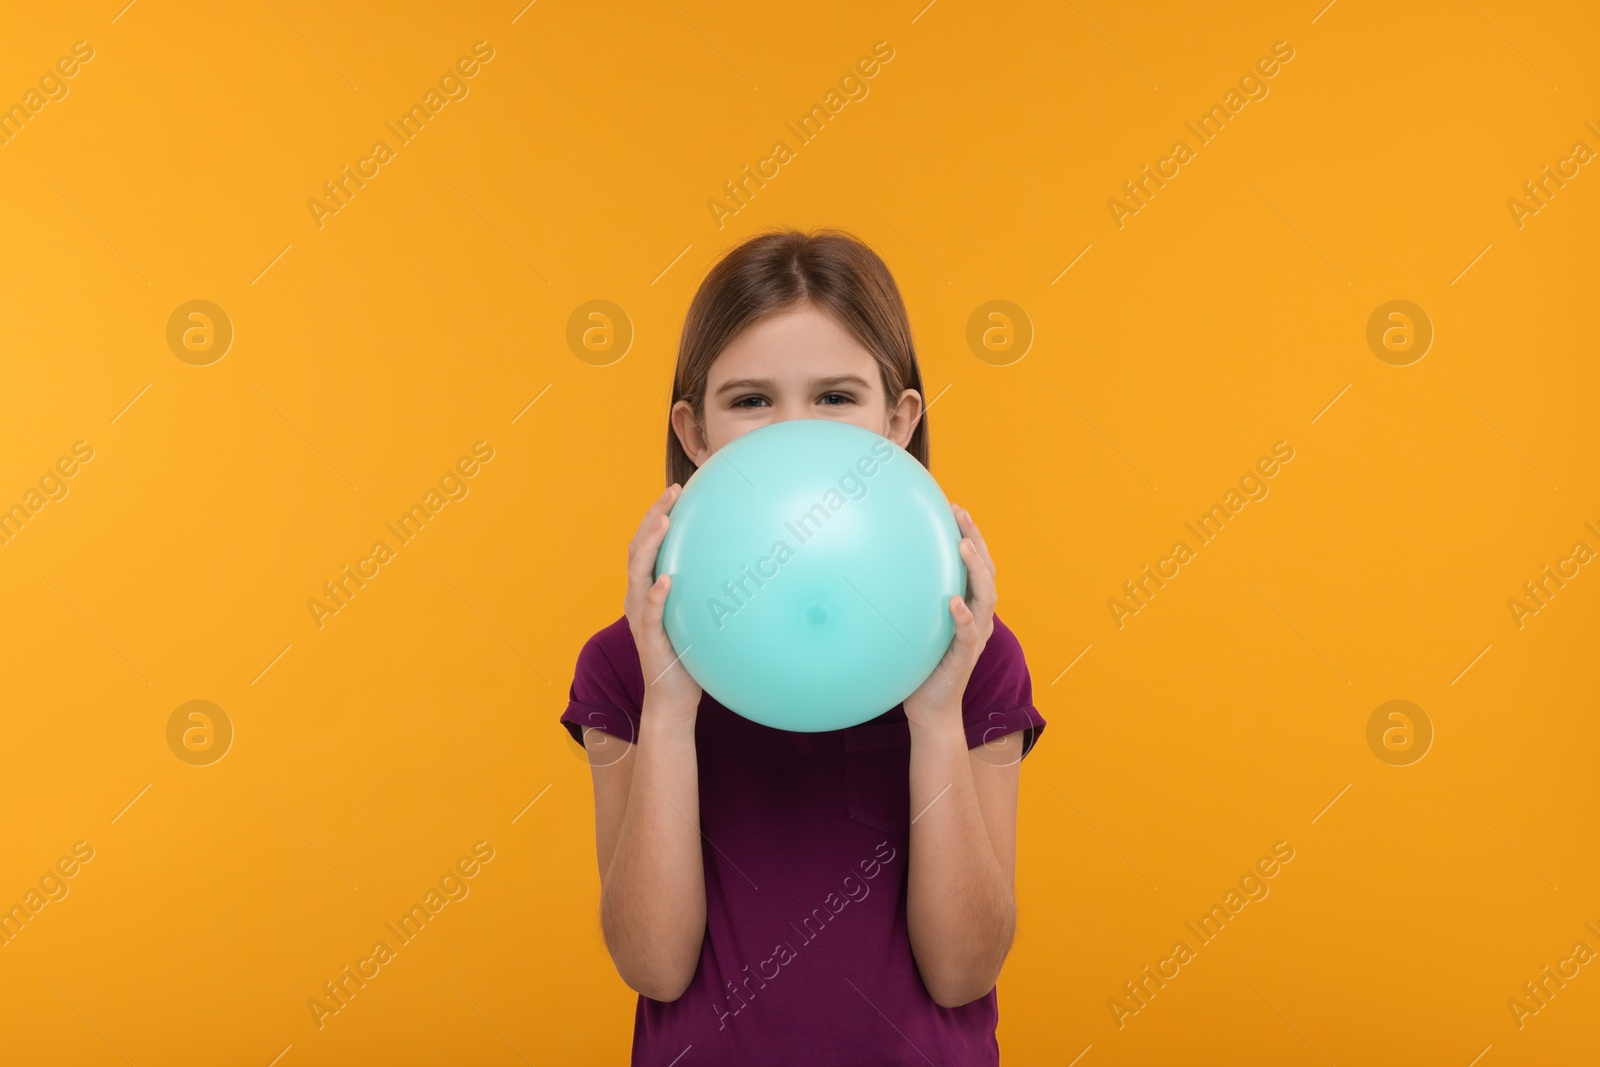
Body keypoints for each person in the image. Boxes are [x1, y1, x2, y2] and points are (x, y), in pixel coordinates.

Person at [559, 227, 1047, 1064]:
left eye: (834, 398)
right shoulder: (621, 666)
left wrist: (935, 719)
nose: (796, 435)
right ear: (696, 431)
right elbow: (653, 964)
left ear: (898, 421)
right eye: (751, 401)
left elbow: (965, 970)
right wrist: (669, 708)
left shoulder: (978, 659)